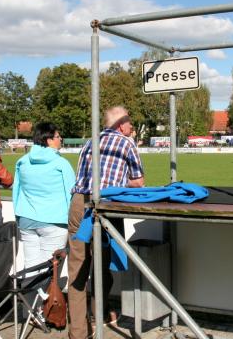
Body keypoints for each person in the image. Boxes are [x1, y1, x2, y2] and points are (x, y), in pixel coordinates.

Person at [68, 106, 144, 339]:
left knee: (78, 270)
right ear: (121, 124)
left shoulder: (89, 142)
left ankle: (79, 332)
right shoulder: (126, 143)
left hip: (79, 204)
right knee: (101, 266)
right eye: (130, 123)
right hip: (104, 207)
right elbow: (139, 182)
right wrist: (122, 180)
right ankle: (98, 315)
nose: (132, 127)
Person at [13, 122, 75, 271]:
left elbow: (17, 190)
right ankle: (44, 295)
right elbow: (72, 193)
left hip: (26, 219)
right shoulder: (61, 163)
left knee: (31, 266)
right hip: (54, 222)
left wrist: (18, 214)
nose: (61, 139)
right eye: (58, 136)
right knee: (50, 271)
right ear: (49, 140)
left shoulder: (22, 161)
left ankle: (31, 294)